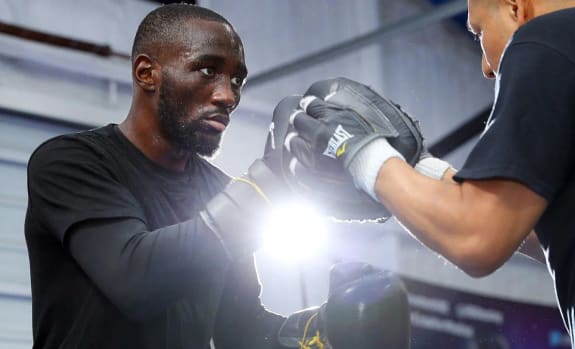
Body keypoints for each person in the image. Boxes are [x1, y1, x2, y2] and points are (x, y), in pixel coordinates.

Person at [24, 4, 411, 349]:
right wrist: (273, 179)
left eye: (237, 80)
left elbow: (241, 332)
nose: (227, 96)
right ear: (147, 73)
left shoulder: (223, 192)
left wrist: (321, 331)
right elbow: (136, 280)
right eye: (207, 70)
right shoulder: (72, 162)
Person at [281, 0, 575, 348]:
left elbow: (477, 237)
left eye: (478, 33)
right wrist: (419, 172)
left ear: (516, 7)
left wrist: (358, 152)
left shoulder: (549, 40)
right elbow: (554, 230)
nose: (487, 68)